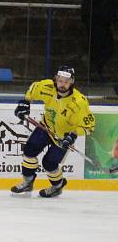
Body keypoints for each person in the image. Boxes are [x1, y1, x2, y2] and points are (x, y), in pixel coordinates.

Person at [11, 66, 95, 198]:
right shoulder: (47, 86)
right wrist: (25, 102)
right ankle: (27, 181)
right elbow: (33, 88)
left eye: (67, 82)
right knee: (29, 151)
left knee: (49, 164)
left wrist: (72, 135)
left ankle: (57, 186)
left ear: (72, 82)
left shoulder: (79, 102)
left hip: (63, 136)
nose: (63, 84)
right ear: (56, 79)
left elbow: (89, 127)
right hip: (46, 127)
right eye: (60, 81)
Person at [81, 0, 116, 81]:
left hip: (101, 20)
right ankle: (95, 71)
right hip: (97, 19)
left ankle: (96, 70)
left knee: (104, 47)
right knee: (103, 47)